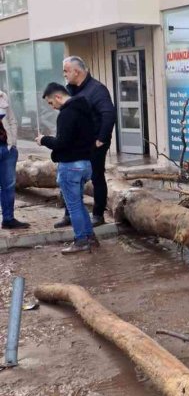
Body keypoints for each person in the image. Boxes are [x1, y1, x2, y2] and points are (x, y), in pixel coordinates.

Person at [55, 56, 116, 229]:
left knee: (97, 177)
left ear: (77, 71)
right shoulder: (70, 90)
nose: (64, 74)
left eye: (66, 71)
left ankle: (98, 214)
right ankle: (69, 214)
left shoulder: (97, 90)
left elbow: (109, 114)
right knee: (69, 177)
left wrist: (101, 139)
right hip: (75, 144)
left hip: (95, 143)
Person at [37, 83, 98, 254]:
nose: (52, 107)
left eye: (51, 103)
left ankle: (80, 241)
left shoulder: (66, 114)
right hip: (86, 164)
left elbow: (61, 143)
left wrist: (44, 140)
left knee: (73, 206)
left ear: (58, 97)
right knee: (78, 203)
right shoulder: (85, 109)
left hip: (70, 166)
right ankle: (90, 237)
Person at [0, 91, 29, 230]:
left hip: (7, 148)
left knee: (9, 186)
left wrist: (13, 143)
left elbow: (12, 120)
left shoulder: (2, 96)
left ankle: (8, 219)